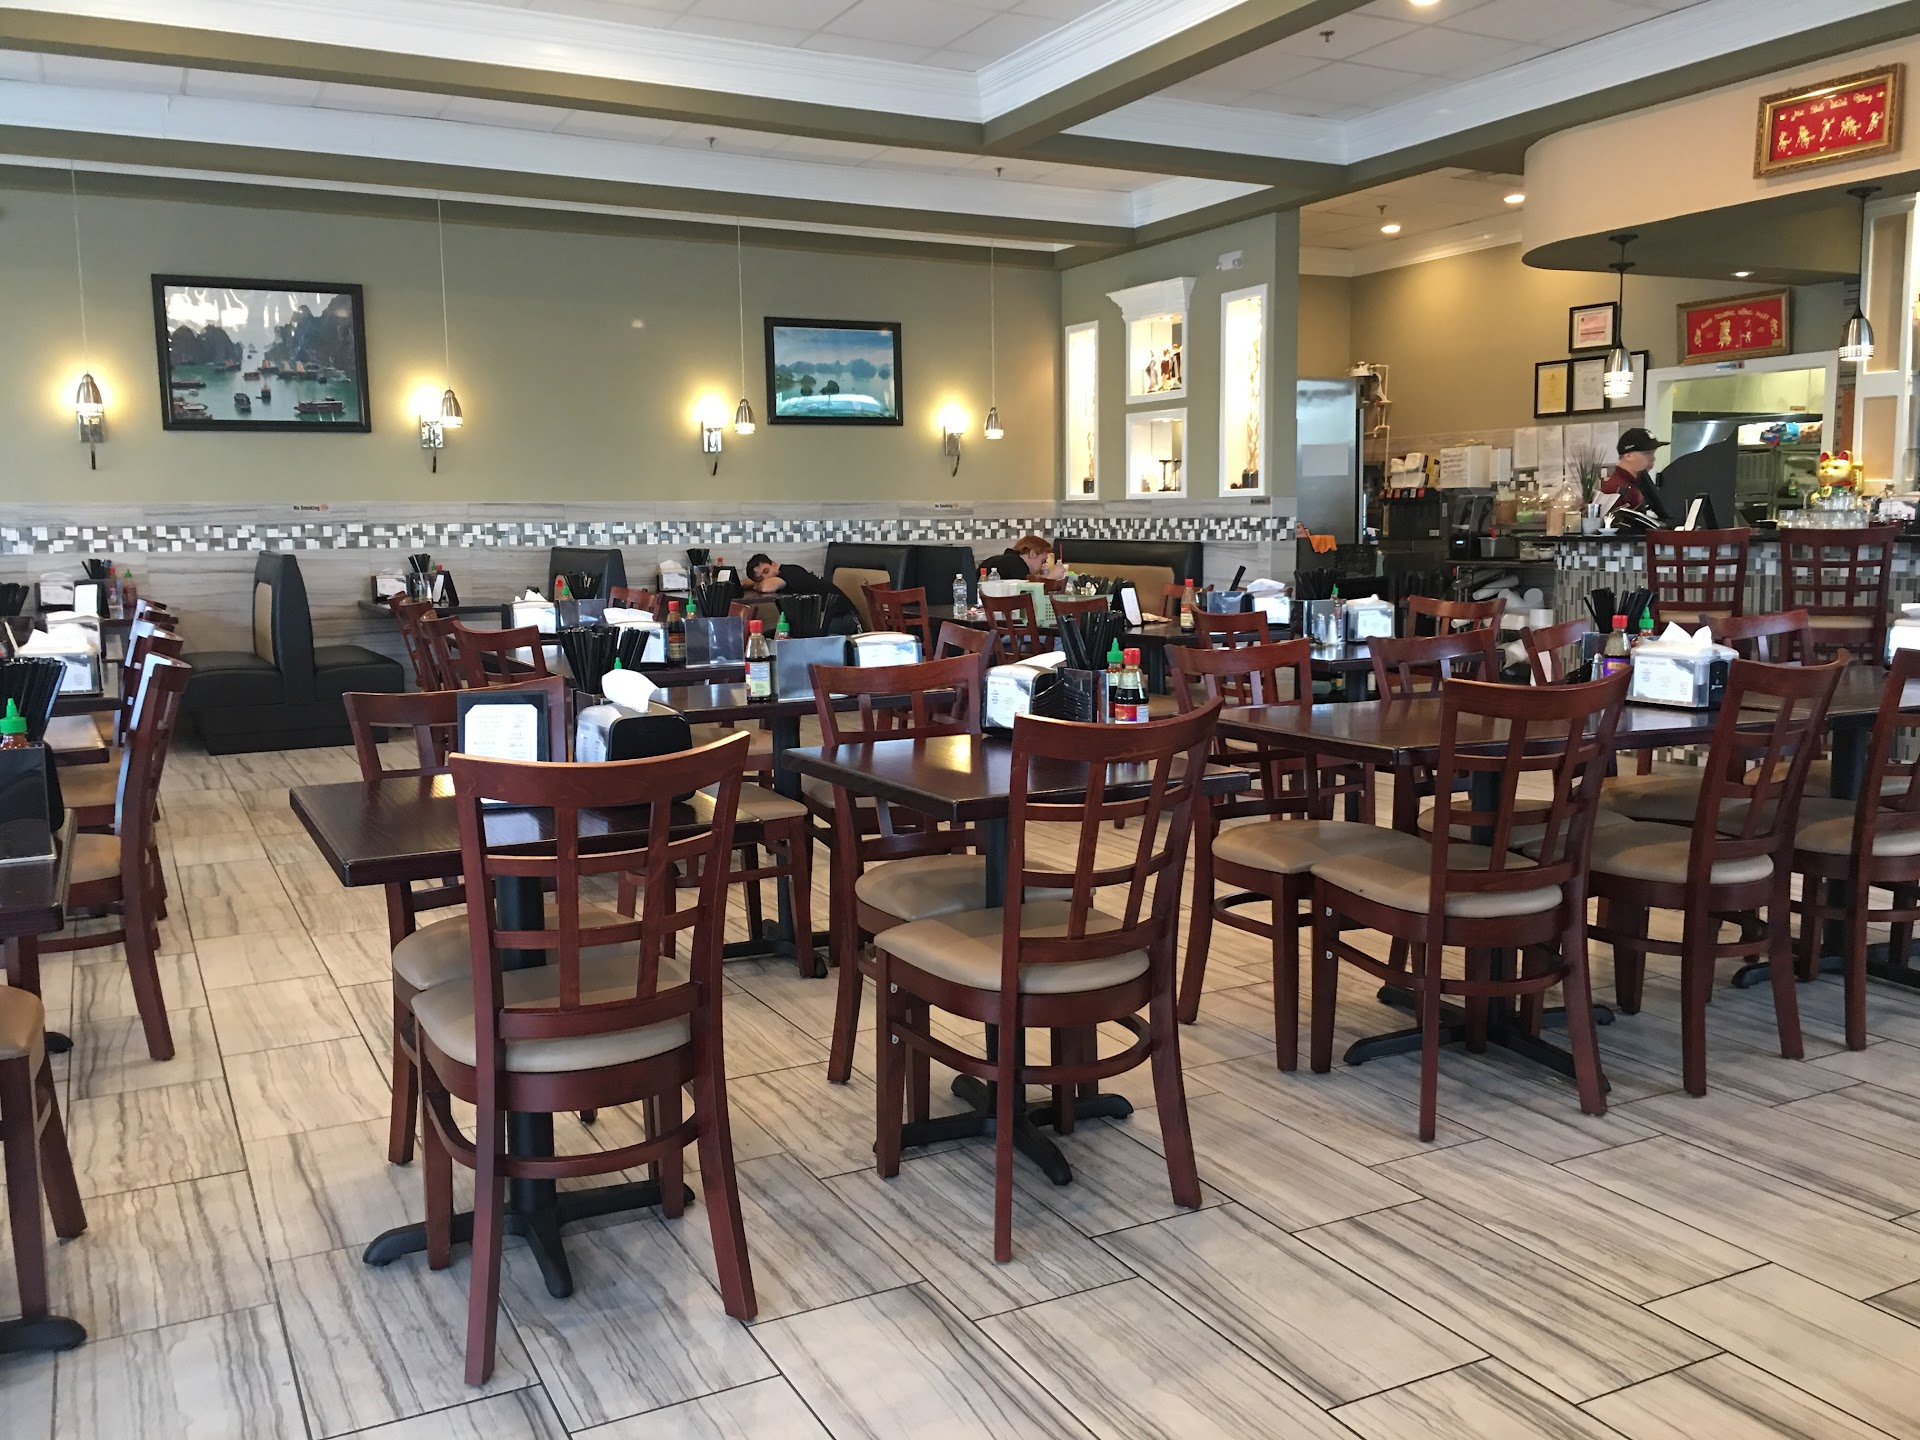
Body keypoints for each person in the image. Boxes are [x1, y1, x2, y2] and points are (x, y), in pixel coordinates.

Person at [1601, 428, 1667, 512]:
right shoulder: (1616, 490)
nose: (1653, 458)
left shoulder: (1638, 483)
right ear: (1628, 455)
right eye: (1647, 453)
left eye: (1653, 453)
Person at [981, 534, 1065, 583]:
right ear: (1032, 554)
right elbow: (1027, 594)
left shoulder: (1009, 560)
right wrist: (1050, 578)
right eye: (1043, 561)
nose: (1043, 567)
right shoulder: (1016, 564)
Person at [744, 553, 831, 597]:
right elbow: (744, 582)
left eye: (766, 571)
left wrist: (757, 584)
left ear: (774, 564)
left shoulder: (788, 572)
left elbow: (765, 587)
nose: (766, 578)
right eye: (760, 578)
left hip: (835, 611)